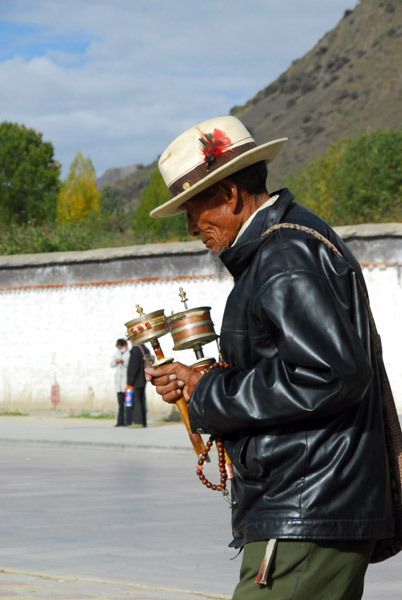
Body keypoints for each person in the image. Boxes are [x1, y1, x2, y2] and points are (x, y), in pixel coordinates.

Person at [144, 116, 395, 599]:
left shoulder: (283, 257)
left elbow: (330, 374)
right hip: (311, 501)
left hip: (307, 506)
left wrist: (209, 390)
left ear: (231, 195)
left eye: (194, 209)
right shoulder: (283, 245)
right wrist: (206, 380)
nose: (193, 227)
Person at [127, 344, 150, 427]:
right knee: (142, 399)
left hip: (136, 379)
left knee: (136, 400)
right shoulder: (145, 349)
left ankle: (137, 422)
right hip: (144, 378)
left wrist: (129, 382)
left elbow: (133, 367)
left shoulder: (136, 350)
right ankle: (143, 422)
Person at [110, 338, 130, 427]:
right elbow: (111, 364)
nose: (120, 349)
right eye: (118, 348)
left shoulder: (129, 353)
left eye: (121, 347)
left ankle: (128, 421)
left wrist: (123, 361)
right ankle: (120, 421)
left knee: (128, 404)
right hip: (119, 384)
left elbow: (130, 364)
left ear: (125, 345)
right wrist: (115, 361)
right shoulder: (117, 354)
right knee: (120, 404)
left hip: (127, 383)